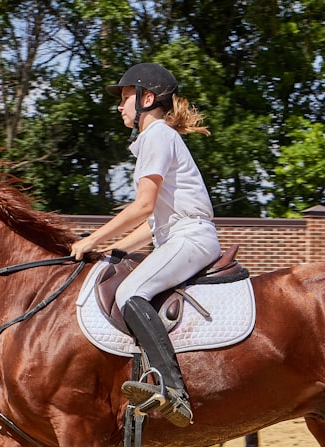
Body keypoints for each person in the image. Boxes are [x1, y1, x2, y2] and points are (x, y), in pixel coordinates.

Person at [71, 63, 220, 427]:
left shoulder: (156, 135)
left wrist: (90, 238)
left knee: (129, 293)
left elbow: (143, 206)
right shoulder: (157, 138)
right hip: (178, 234)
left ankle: (173, 389)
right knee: (127, 278)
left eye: (125, 98)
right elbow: (153, 227)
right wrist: (113, 250)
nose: (120, 107)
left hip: (190, 236)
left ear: (147, 99)